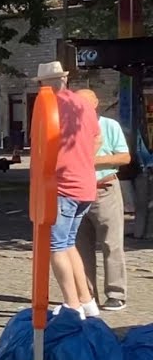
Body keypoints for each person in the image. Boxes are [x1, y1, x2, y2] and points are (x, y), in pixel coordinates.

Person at [36, 61, 101, 317]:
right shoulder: (82, 103)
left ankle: (72, 305)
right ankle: (87, 301)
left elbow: (42, 146)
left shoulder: (48, 105)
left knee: (56, 246)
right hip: (85, 183)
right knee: (69, 243)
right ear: (64, 80)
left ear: (44, 84)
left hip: (62, 185)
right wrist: (82, 159)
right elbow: (97, 138)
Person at [75, 88, 129, 312]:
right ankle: (87, 295)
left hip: (104, 188)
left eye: (86, 104)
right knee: (79, 246)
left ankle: (116, 293)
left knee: (111, 243)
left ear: (96, 103)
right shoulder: (71, 128)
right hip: (77, 192)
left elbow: (124, 157)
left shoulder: (109, 126)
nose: (82, 109)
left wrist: (91, 160)